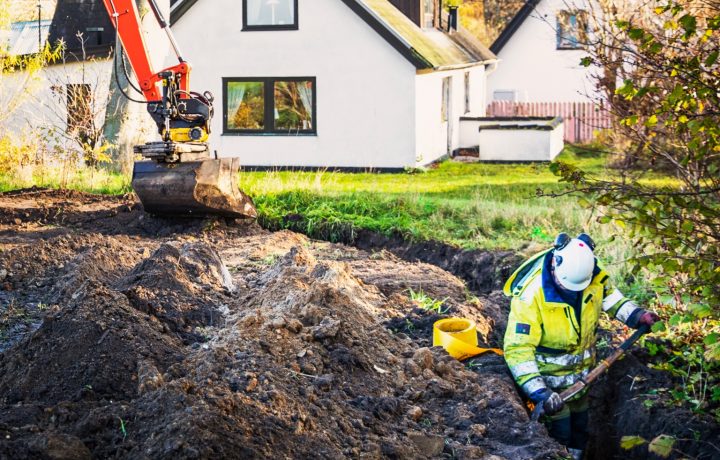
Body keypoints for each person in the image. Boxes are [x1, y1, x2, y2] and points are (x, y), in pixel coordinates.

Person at [502, 233, 659, 460]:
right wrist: (539, 391)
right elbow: (518, 349)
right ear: (556, 265)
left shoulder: (591, 274)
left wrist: (637, 315)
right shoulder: (531, 296)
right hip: (551, 389)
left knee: (580, 431)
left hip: (582, 382)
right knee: (560, 434)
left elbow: (611, 298)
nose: (575, 291)